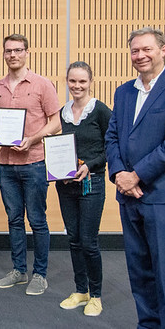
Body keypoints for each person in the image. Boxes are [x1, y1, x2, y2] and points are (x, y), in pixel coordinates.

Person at [106, 27, 165, 328]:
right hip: (128, 194)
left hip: (162, 194)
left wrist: (136, 175)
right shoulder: (123, 92)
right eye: (135, 50)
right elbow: (112, 137)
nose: (140, 55)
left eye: (147, 49)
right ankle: (147, 324)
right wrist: (120, 174)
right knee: (139, 270)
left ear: (163, 50)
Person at [0, 34, 61, 296]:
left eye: (18, 50)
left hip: (34, 162)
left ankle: (40, 274)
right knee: (14, 219)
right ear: (4, 54)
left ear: (27, 52)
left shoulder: (43, 84)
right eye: (8, 51)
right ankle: (19, 270)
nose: (13, 55)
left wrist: (32, 139)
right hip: (6, 164)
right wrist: (0, 134)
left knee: (38, 220)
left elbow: (55, 122)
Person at [55, 61, 112, 316]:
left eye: (82, 81)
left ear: (91, 82)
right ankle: (81, 291)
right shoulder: (63, 112)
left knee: (89, 241)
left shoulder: (100, 111)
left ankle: (96, 295)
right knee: (74, 240)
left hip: (92, 183)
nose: (77, 86)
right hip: (66, 185)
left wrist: (90, 165)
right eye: (72, 81)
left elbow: (112, 147)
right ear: (67, 81)